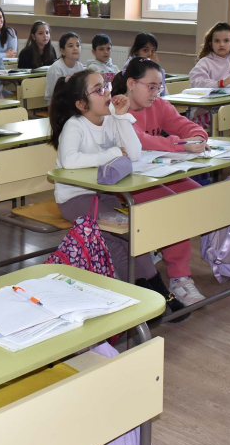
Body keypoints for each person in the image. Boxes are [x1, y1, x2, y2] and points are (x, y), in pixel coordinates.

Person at [49, 70, 160, 286]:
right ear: (82, 104)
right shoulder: (75, 125)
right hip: (74, 198)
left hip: (103, 195)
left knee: (131, 232)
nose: (107, 93)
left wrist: (121, 116)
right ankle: (151, 290)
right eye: (98, 90)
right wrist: (113, 153)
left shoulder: (111, 119)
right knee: (121, 236)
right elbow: (69, 160)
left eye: (106, 86)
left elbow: (134, 153)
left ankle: (153, 288)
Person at [113, 57, 209, 305]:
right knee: (173, 205)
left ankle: (162, 246)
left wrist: (198, 136)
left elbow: (184, 125)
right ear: (131, 83)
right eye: (151, 86)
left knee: (197, 195)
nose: (156, 92)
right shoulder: (117, 109)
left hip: (154, 175)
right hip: (124, 183)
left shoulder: (159, 105)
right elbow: (141, 139)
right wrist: (181, 144)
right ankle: (179, 277)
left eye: (159, 87)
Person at [45, 32, 86, 102]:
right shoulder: (56, 68)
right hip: (58, 103)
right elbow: (55, 94)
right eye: (70, 46)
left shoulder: (80, 67)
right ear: (62, 51)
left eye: (78, 45)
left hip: (75, 102)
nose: (75, 48)